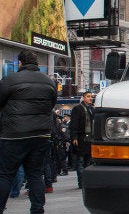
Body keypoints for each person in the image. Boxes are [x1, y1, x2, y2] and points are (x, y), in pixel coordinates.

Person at [0, 50, 58, 213]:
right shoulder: (49, 82)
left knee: (5, 174)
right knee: (35, 174)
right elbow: (51, 105)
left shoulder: (10, 80)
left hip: (14, 134)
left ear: (20, 63)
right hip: (41, 134)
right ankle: (38, 209)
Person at [70, 91, 94, 189]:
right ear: (83, 98)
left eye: (91, 97)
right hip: (81, 138)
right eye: (88, 96)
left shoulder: (91, 109)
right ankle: (82, 182)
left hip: (90, 139)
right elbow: (74, 124)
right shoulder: (78, 109)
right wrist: (74, 137)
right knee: (80, 161)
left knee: (88, 162)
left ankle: (86, 181)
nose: (90, 98)